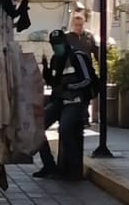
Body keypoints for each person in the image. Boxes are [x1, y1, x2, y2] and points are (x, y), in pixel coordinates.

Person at [33, 29, 94, 179]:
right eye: (54, 45)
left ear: (65, 42)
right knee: (37, 127)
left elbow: (87, 80)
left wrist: (69, 87)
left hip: (74, 101)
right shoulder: (55, 59)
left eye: (59, 44)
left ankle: (74, 169)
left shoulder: (77, 57)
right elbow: (55, 83)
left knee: (65, 130)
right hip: (59, 101)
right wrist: (47, 73)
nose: (57, 47)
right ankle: (49, 166)